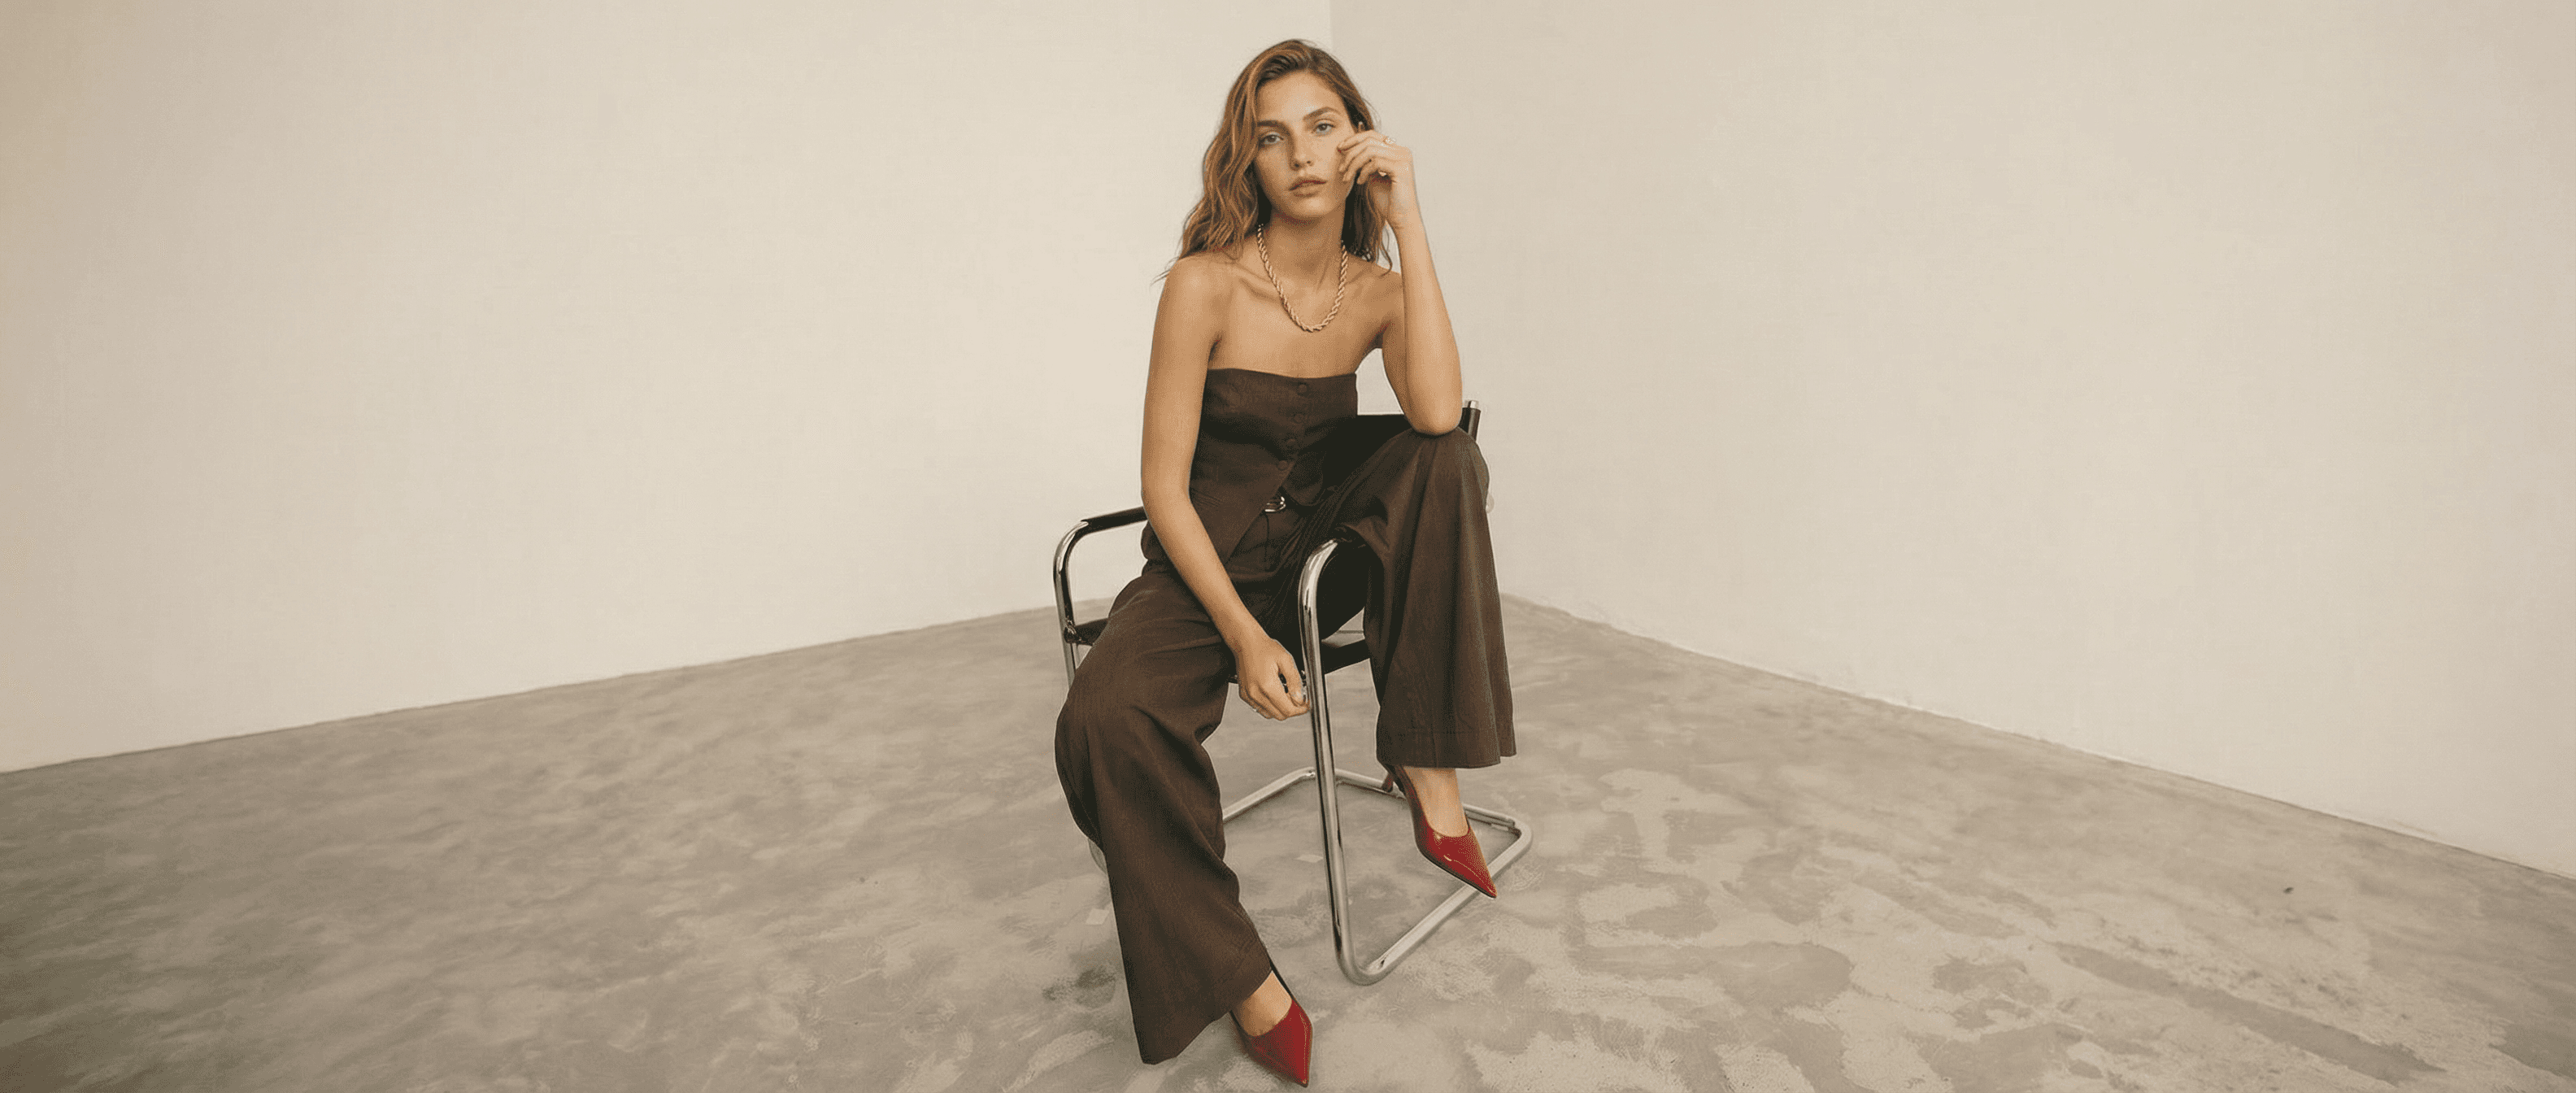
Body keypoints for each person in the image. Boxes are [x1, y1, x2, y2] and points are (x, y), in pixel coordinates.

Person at [1052, 38, 1514, 1086]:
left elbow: (1436, 411)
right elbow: (1163, 488)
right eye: (1273, 137)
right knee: (1103, 718)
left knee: (1446, 453)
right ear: (1246, 161)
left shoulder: (1378, 290)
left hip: (1323, 553)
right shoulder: (1204, 285)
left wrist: (1409, 221)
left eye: (1323, 127)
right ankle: (1241, 976)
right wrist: (1243, 634)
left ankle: (1426, 761)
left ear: (1358, 142)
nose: (1302, 155)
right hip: (1206, 567)